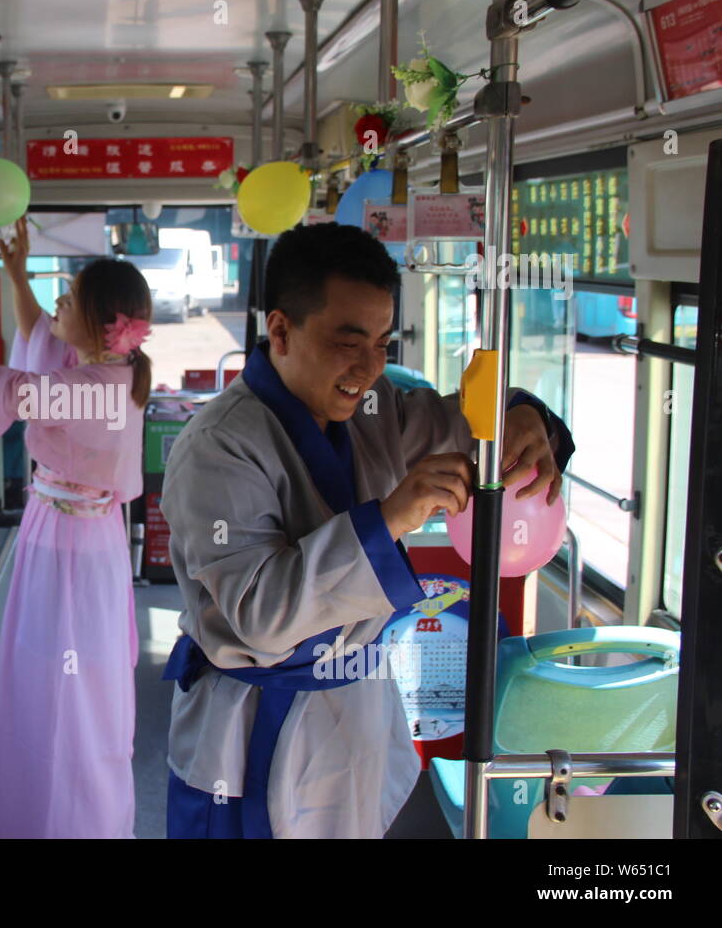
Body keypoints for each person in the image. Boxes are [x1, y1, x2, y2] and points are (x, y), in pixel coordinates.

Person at [160, 222, 574, 839]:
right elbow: (261, 613)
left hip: (355, 700)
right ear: (280, 331)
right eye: (349, 342)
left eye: (384, 342)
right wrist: (389, 521)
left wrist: (520, 414)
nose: (370, 367)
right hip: (252, 720)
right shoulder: (218, 446)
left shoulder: (375, 412)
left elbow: (467, 422)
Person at [0, 216, 152, 838]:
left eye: (69, 298)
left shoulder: (89, 393)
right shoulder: (109, 375)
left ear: (103, 325)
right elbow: (39, 340)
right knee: (63, 688)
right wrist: (14, 273)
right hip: (76, 540)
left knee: (63, 693)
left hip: (67, 553)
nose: (58, 303)